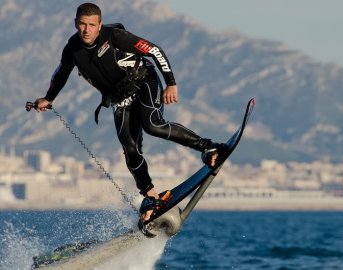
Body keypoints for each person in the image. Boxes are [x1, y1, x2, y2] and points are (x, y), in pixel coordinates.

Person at [33, 3, 226, 221]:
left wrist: (170, 83)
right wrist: (48, 98)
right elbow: (61, 73)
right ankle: (152, 197)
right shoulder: (72, 49)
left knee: (152, 124)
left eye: (91, 25)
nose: (86, 30)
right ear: (75, 24)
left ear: (99, 25)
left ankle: (208, 147)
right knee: (129, 146)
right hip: (119, 98)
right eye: (82, 25)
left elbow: (154, 50)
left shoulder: (114, 36)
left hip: (144, 81)